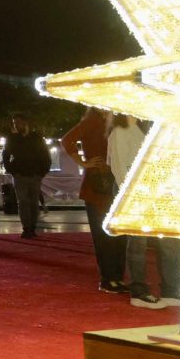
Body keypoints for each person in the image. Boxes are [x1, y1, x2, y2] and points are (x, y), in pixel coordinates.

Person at [106, 114, 178, 309]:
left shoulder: (145, 127)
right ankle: (139, 291)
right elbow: (119, 167)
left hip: (155, 190)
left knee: (168, 240)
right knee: (138, 242)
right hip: (135, 192)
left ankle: (171, 290)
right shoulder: (121, 131)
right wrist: (130, 195)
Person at [62, 108, 124, 293]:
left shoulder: (118, 118)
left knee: (119, 234)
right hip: (98, 183)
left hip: (115, 180)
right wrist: (83, 162)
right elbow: (67, 140)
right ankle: (108, 278)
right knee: (102, 234)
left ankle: (117, 277)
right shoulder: (93, 119)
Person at [2, 115, 51, 239]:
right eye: (14, 123)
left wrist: (43, 171)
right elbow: (6, 154)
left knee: (34, 202)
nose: (16, 125)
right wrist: (11, 170)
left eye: (18, 123)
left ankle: (33, 226)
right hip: (19, 174)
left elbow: (46, 154)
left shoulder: (37, 137)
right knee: (23, 201)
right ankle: (26, 228)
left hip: (35, 174)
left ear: (26, 123)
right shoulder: (12, 138)